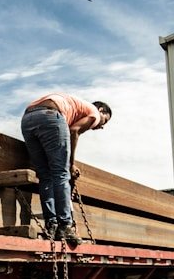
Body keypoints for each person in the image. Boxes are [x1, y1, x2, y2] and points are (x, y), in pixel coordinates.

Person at [20, 93, 111, 247]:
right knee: (61, 174)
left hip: (27, 119)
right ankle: (65, 226)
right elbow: (74, 131)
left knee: (45, 176)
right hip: (51, 115)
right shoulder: (94, 113)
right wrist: (71, 163)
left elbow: (68, 128)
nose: (101, 126)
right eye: (105, 121)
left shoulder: (76, 106)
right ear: (100, 110)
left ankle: (52, 223)